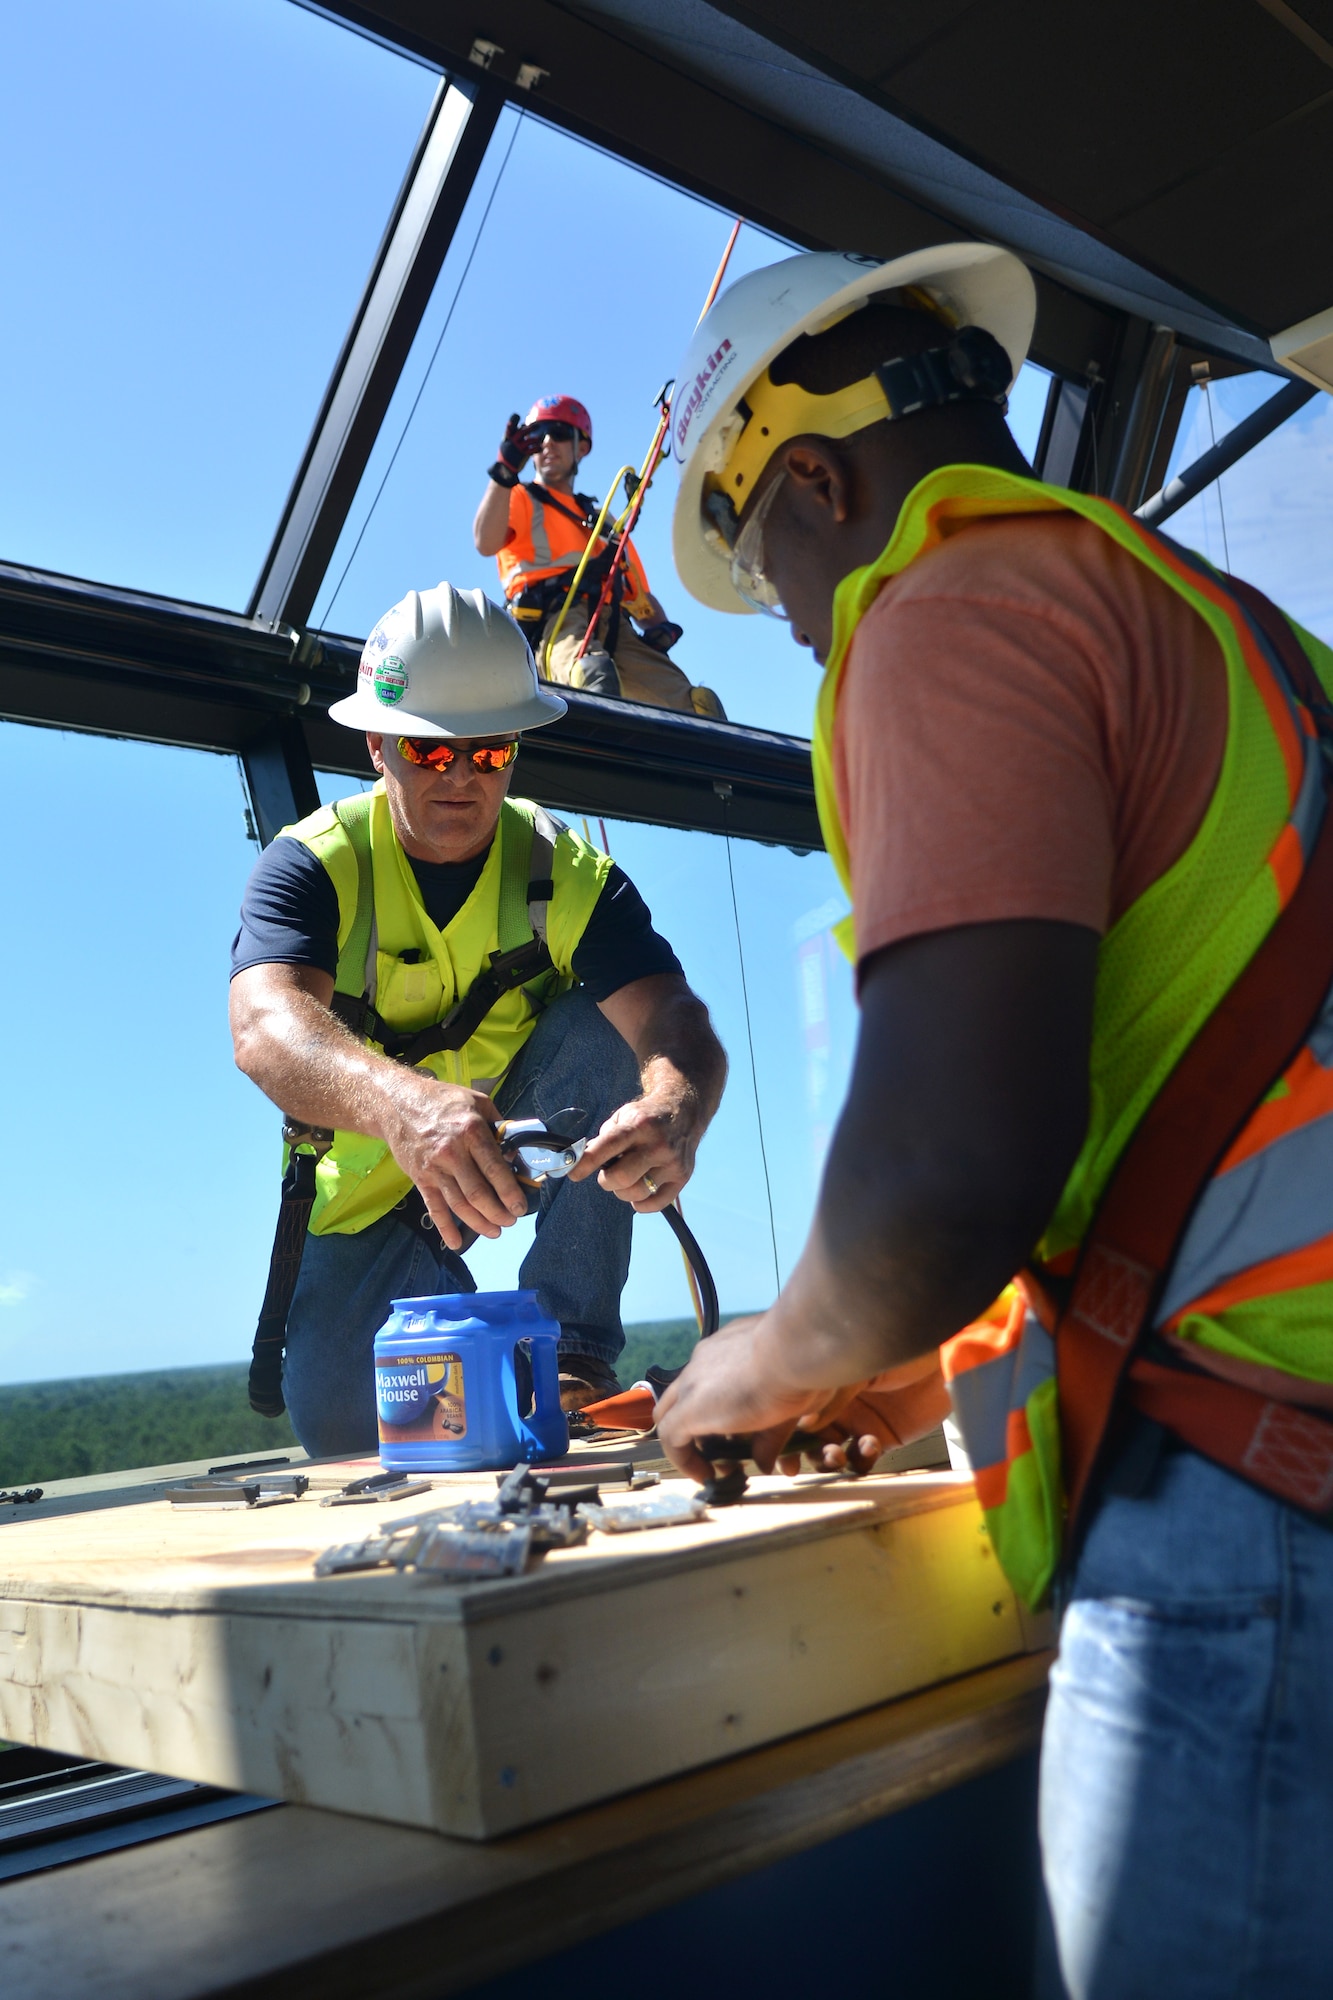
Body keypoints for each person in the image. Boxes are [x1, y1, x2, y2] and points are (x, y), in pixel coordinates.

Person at [657, 241, 1333, 1996]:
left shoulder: (947, 613)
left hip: (1258, 1528)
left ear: (811, 479)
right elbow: (1195, 1105)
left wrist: (767, 1354)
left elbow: (948, 1168)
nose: (798, 624)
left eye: (766, 569)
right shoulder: (1237, 639)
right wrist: (895, 1366)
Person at [230, 582, 726, 1452]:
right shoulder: (311, 866)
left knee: (611, 1033)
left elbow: (671, 1018)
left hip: (527, 1137)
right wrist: (405, 1109)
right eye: (428, 752)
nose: (459, 775)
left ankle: (572, 1356)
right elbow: (265, 1028)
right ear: (377, 743)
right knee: (352, 1435)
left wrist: (675, 1108)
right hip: (370, 1194)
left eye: (487, 751)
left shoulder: (567, 873)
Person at [473, 393, 724, 716]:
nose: (548, 443)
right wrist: (504, 472)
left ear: (582, 447)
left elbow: (638, 594)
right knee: (593, 676)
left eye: (561, 434)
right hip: (558, 624)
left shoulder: (603, 521)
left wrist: (660, 627)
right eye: (538, 437)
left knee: (700, 706)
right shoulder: (518, 497)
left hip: (617, 626)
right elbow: (484, 540)